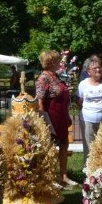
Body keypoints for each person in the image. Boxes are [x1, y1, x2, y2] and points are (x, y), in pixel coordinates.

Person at [36, 49, 75, 187]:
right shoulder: (43, 78)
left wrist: (67, 116)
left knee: (64, 144)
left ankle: (63, 176)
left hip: (61, 117)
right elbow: (40, 102)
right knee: (50, 147)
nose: (60, 62)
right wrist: (44, 122)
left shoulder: (56, 76)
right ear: (51, 61)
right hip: (51, 118)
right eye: (58, 60)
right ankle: (51, 178)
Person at [77, 55, 102, 164]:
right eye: (95, 68)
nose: (98, 70)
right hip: (87, 120)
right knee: (89, 147)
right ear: (88, 71)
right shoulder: (83, 84)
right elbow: (79, 100)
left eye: (99, 67)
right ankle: (88, 171)